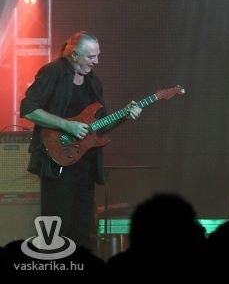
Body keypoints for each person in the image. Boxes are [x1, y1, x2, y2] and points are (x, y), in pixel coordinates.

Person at [19, 30, 142, 251]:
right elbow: (28, 109)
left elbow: (99, 126)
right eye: (91, 56)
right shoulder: (53, 72)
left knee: (83, 233)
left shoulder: (93, 82)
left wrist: (125, 115)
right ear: (74, 55)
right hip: (57, 163)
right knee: (56, 231)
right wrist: (66, 125)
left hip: (85, 166)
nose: (96, 61)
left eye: (98, 56)